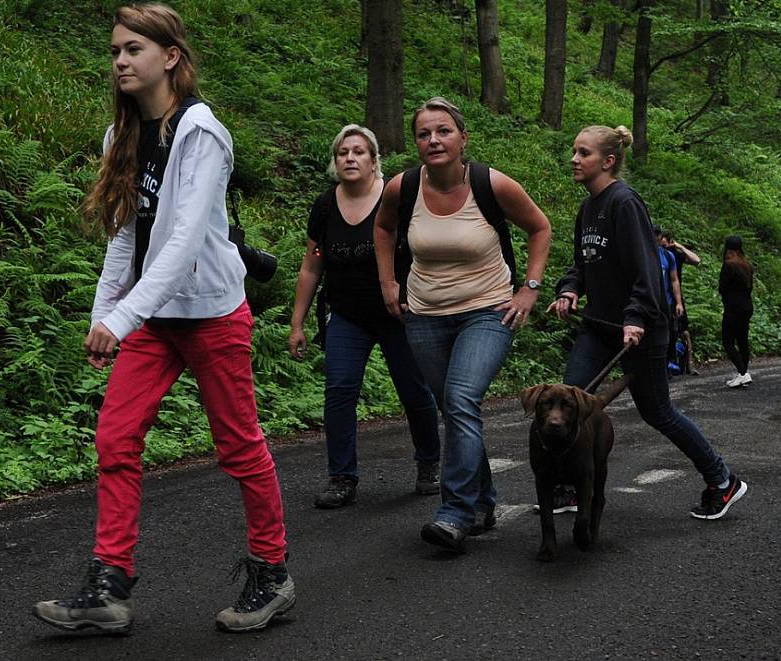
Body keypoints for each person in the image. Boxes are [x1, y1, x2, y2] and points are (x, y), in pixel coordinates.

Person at [33, 3, 294, 635]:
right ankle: (109, 586)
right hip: (154, 318)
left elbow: (180, 243)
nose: (120, 60)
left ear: (170, 58)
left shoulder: (201, 130)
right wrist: (104, 317)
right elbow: (126, 239)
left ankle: (272, 571)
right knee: (114, 439)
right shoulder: (122, 135)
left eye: (133, 50)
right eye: (116, 51)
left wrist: (121, 321)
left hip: (209, 312)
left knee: (239, 445)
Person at [374, 97, 551, 551]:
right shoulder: (404, 187)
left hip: (488, 311)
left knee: (460, 398)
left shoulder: (492, 184)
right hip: (424, 316)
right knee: (455, 409)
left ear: (462, 138)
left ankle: (454, 512)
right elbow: (383, 228)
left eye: (443, 131)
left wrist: (529, 288)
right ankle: (483, 502)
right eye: (423, 134)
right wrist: (389, 282)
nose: (433, 140)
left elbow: (539, 228)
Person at [548, 124, 747, 520]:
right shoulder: (588, 208)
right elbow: (581, 266)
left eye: (583, 153)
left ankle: (722, 481)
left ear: (607, 161)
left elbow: (648, 271)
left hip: (640, 331)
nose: (574, 159)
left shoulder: (625, 203)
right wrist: (569, 289)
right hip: (601, 327)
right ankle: (571, 487)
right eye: (574, 151)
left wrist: (636, 317)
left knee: (658, 412)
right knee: (570, 400)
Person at [289, 124, 441, 508]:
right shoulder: (325, 206)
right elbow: (311, 267)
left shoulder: (395, 199)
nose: (350, 158)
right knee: (339, 391)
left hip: (398, 314)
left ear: (375, 161)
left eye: (359, 152)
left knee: (413, 392)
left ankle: (429, 463)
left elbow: (423, 251)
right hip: (347, 315)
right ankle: (342, 477)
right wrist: (297, 323)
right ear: (335, 161)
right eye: (343, 153)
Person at [661, 230, 701, 374]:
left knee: (684, 331)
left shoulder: (674, 255)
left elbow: (696, 260)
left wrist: (680, 247)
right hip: (662, 297)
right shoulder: (656, 254)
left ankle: (689, 363)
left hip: (676, 297)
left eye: (665, 243)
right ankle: (667, 364)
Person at [719, 235, 754, 388]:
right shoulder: (747, 265)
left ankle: (743, 373)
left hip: (733, 308)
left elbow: (723, 288)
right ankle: (742, 374)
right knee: (742, 340)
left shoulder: (729, 265)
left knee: (727, 341)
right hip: (747, 306)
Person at [653, 225, 684, 374]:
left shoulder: (667, 255)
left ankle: (666, 365)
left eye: (657, 234)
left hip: (667, 303)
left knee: (670, 335)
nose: (655, 237)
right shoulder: (643, 254)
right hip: (650, 303)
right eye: (653, 234)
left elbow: (674, 280)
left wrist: (678, 302)